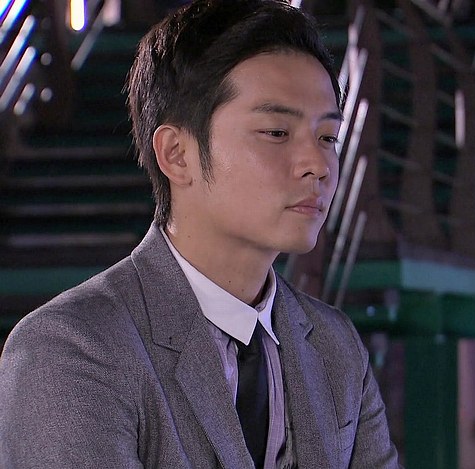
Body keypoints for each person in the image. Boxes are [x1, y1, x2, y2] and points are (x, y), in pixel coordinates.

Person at [0, 1, 401, 468]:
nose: (318, 165)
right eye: (276, 132)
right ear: (177, 154)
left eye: (327, 137)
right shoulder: (72, 350)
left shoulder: (336, 346)